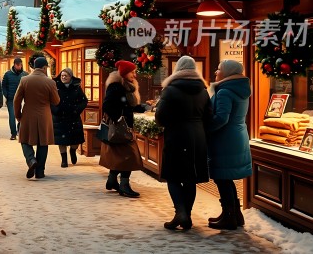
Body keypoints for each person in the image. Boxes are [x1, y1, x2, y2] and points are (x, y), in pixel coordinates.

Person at [154, 56, 213, 230]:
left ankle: (180, 212)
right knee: (190, 178)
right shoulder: (203, 90)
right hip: (198, 137)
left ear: (177, 69)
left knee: (172, 176)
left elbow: (161, 117)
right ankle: (186, 213)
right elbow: (209, 117)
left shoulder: (170, 90)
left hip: (177, 135)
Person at [207, 59, 252, 230]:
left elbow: (221, 118)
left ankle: (229, 217)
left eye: (218, 69)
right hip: (236, 137)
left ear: (227, 72)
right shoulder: (239, 89)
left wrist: (206, 128)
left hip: (225, 139)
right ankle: (233, 214)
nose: (216, 72)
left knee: (221, 177)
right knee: (226, 178)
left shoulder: (225, 91)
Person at [99, 60, 145, 198]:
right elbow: (107, 105)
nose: (134, 75)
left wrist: (143, 107)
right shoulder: (116, 87)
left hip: (125, 127)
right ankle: (124, 186)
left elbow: (128, 106)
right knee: (129, 156)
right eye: (132, 72)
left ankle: (112, 180)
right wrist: (118, 118)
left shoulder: (126, 86)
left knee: (121, 155)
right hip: (121, 127)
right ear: (125, 73)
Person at [14, 57, 60, 179]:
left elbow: (16, 100)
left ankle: (31, 160)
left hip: (28, 115)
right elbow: (56, 101)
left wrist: (18, 115)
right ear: (44, 67)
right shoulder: (50, 82)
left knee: (24, 140)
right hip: (44, 116)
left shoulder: (25, 80)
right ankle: (40, 172)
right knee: (43, 143)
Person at [52, 68, 88, 168]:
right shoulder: (55, 86)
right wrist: (56, 110)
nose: (63, 77)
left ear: (70, 77)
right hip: (60, 117)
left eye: (66, 76)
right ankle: (64, 160)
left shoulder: (76, 87)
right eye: (62, 75)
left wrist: (77, 109)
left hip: (73, 117)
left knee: (75, 140)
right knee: (61, 140)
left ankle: (73, 151)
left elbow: (84, 101)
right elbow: (50, 100)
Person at [3, 58, 29, 140]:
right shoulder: (7, 74)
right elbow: (3, 85)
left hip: (23, 99)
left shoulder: (25, 74)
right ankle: (13, 134)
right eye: (17, 65)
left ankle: (19, 130)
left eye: (20, 65)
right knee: (12, 116)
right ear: (14, 65)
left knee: (23, 115)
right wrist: (7, 95)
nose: (19, 67)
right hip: (11, 98)